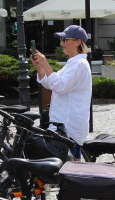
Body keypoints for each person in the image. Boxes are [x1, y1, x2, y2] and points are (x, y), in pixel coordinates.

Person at [31, 24, 92, 158]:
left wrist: (45, 64)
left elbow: (60, 86)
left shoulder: (79, 64)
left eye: (65, 40)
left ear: (77, 42)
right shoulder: (72, 63)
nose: (61, 43)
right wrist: (40, 67)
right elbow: (50, 83)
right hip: (62, 124)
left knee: (71, 168)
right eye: (61, 40)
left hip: (69, 125)